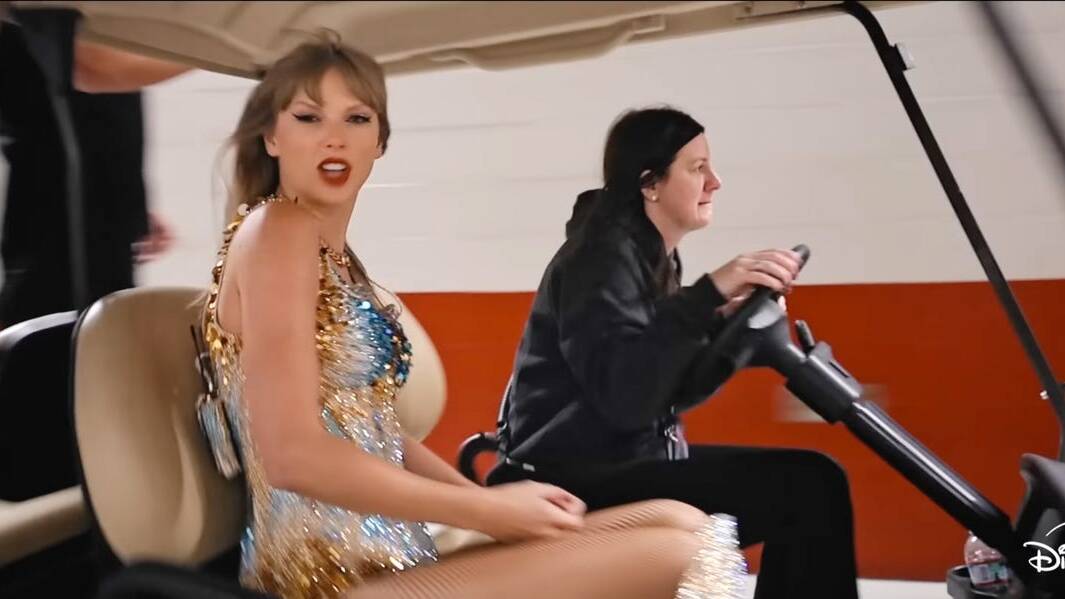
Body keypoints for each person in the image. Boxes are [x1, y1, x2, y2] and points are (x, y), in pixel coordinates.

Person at [200, 35, 749, 599]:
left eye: (357, 118)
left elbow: (377, 433)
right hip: (327, 575)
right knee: (679, 553)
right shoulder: (278, 231)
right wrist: (485, 511)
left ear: (380, 142)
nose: (334, 137)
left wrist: (488, 502)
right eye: (309, 117)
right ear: (272, 136)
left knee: (683, 520)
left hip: (396, 553)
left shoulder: (338, 263)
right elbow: (292, 457)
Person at [485, 107, 861, 599]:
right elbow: (625, 396)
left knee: (811, 481)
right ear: (650, 183)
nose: (715, 182)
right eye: (697, 168)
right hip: (571, 478)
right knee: (809, 484)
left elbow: (663, 383)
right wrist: (707, 296)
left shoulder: (647, 253)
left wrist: (722, 326)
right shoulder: (601, 256)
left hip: (618, 462)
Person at [0, 14, 183, 328]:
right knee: (63, 337)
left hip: (89, 218)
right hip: (60, 236)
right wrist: (238, 52)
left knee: (99, 331)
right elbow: (94, 67)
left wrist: (126, 194)